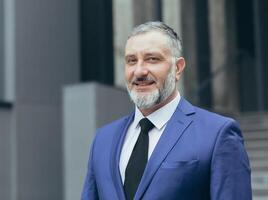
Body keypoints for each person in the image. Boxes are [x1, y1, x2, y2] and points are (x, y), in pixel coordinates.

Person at [81, 21, 252, 200]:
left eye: (152, 59)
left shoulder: (217, 134)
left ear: (177, 68)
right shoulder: (103, 139)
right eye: (132, 61)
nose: (139, 71)